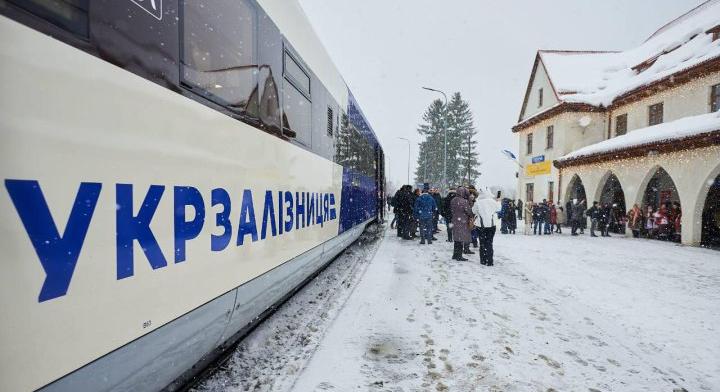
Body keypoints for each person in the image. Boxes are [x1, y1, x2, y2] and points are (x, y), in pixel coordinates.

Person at [472, 190, 501, 266]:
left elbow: (474, 211)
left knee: (482, 243)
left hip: (481, 225)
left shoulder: (478, 202)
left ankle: (483, 260)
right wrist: (498, 201)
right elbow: (498, 209)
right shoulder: (492, 201)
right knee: (489, 243)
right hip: (491, 225)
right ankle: (490, 261)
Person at [451, 187, 474, 261]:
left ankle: (455, 254)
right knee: (461, 239)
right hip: (462, 221)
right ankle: (459, 256)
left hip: (455, 220)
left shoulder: (453, 200)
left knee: (456, 239)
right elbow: (469, 212)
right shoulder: (464, 201)